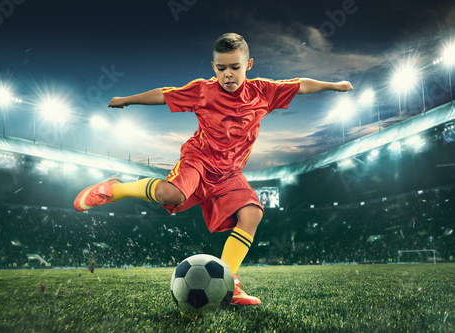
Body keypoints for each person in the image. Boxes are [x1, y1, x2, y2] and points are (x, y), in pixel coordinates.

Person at [74, 32, 353, 306]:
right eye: (221, 68)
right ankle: (114, 189)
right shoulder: (202, 90)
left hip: (230, 173)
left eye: (235, 67)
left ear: (249, 65)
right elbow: (164, 94)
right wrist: (127, 99)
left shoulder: (264, 92)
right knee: (172, 194)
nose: (228, 74)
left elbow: (300, 84)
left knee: (252, 213)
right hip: (199, 159)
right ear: (213, 68)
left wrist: (335, 86)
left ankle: (228, 283)